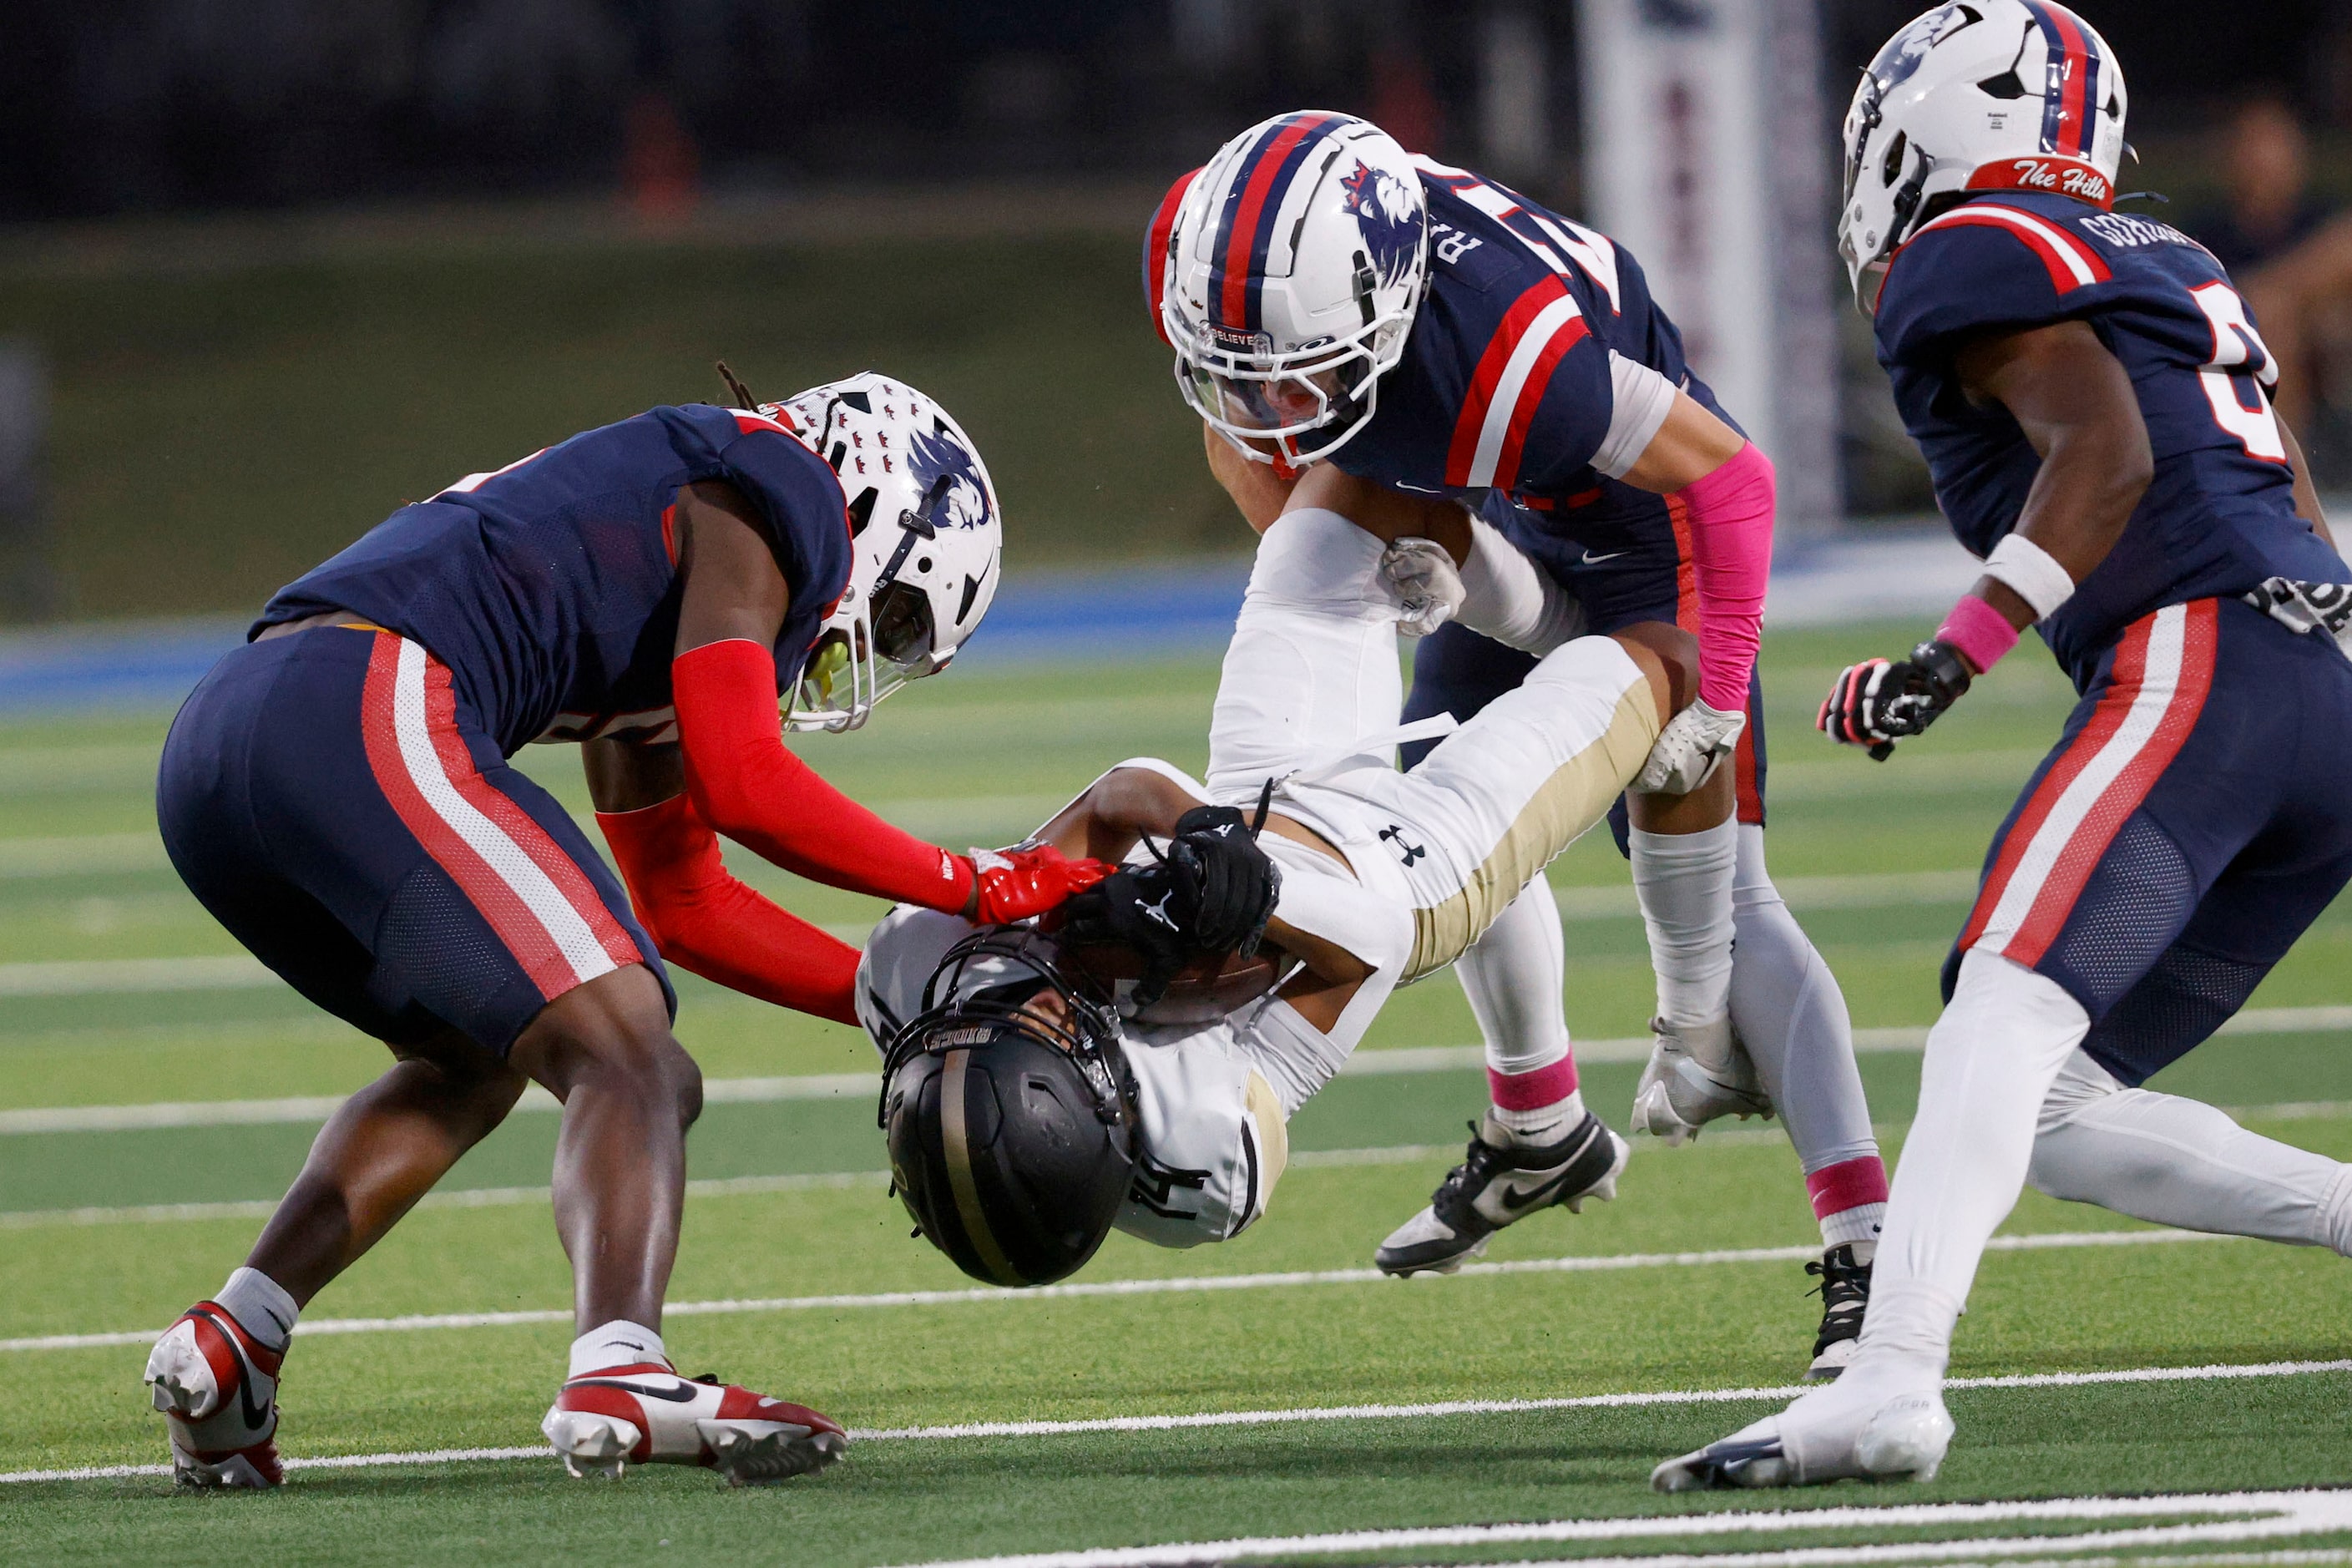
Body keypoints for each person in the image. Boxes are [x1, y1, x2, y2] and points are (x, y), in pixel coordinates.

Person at [144, 372, 1107, 1488]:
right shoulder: (774, 486)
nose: (867, 645)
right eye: (894, 611)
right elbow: (749, 783)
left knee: (476, 1058)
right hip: (359, 695)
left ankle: (235, 1342)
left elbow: (682, 897)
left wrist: (904, 1003)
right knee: (631, 1052)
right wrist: (980, 883)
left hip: (232, 740)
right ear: (874, 504)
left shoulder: (674, 563)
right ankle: (620, 1365)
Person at [1657, 1, 2352, 1492]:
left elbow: (2107, 452)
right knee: (2046, 1102)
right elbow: (2280, 482)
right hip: (2322, 674)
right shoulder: (2172, 257)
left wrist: (1947, 658)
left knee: (1996, 1009)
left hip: (2207, 658)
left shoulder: (1962, 247)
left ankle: (1890, 1379)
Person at [1142, 111, 1889, 1378]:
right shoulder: (1224, 251)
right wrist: (1461, 577)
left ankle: (1875, 1256)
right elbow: (1267, 460)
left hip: (1648, 531)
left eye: (1299, 369)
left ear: (1379, 301)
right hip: (1492, 511)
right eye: (1249, 366)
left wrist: (1709, 688)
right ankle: (1540, 1124)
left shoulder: (1515, 348)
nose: (1271, 399)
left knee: (1724, 933)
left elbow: (1733, 484)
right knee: (1424, 797)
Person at [858, 469, 1693, 1279]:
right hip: (1406, 876)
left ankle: (1542, 1127)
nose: (1031, 994)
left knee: (1346, 498)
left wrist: (1199, 833)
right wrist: (1251, 893)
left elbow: (1118, 795)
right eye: (1046, 1024)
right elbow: (1371, 943)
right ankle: (1707, 994)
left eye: (1002, 1010)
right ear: (1101, 1103)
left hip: (1263, 787)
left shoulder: (912, 974)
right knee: (1670, 660)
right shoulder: (1203, 1151)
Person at [2190, 94, 2352, 443]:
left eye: (2275, 144)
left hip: (2331, 355)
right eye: (2252, 144)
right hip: (2241, 369)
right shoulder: (2206, 236)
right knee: (2270, 321)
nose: (2263, 160)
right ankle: (2286, 478)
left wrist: (2276, 294)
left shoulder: (2322, 221)